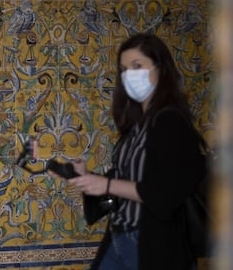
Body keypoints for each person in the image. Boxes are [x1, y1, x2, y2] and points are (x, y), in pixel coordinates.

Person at [67, 33, 207, 270]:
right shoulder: (136, 126)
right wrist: (86, 176)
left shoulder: (171, 121)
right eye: (124, 69)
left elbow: (166, 193)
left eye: (137, 66)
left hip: (154, 245)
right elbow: (128, 180)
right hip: (120, 238)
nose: (129, 75)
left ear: (160, 69)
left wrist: (106, 185)